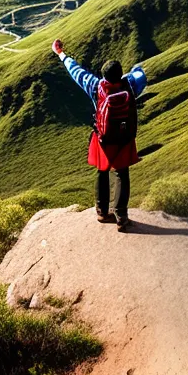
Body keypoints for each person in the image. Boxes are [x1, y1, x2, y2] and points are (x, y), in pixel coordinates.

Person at [51, 38, 147, 231]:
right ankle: (121, 217)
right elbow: (140, 74)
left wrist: (60, 53)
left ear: (104, 76)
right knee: (122, 174)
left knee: (102, 171)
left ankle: (102, 212)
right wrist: (134, 69)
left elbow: (75, 70)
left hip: (104, 138)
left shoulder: (95, 86)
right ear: (120, 74)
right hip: (125, 138)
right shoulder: (131, 85)